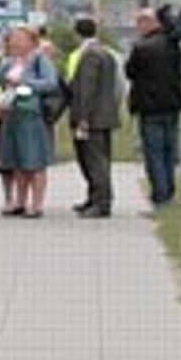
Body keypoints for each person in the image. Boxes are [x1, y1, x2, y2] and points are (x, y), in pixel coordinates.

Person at [125, 5, 181, 212]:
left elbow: (130, 72)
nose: (137, 27)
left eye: (139, 22)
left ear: (149, 23)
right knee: (170, 152)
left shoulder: (142, 47)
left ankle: (160, 197)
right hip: (172, 104)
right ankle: (169, 192)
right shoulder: (174, 44)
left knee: (154, 154)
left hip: (149, 107)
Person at [0, 24, 59, 217]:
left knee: (34, 160)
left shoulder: (40, 60)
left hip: (31, 115)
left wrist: (25, 83)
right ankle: (19, 201)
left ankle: (37, 204)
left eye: (19, 38)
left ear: (31, 42)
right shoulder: (8, 62)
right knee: (16, 160)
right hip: (10, 113)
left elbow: (50, 83)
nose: (15, 42)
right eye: (12, 38)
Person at [65, 16, 123, 217]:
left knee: (93, 160)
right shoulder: (107, 53)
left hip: (91, 117)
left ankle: (101, 202)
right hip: (105, 115)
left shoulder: (89, 55)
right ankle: (94, 198)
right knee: (100, 159)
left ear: (76, 33)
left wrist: (83, 117)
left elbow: (87, 89)